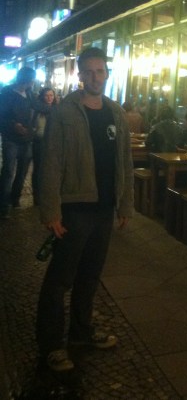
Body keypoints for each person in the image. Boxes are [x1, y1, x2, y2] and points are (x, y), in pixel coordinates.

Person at [35, 47, 134, 374]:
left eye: (100, 71)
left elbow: (124, 162)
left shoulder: (116, 112)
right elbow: (51, 162)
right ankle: (51, 344)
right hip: (74, 209)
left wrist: (125, 203)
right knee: (60, 280)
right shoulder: (65, 112)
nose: (95, 77)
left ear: (107, 74)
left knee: (89, 277)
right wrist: (51, 211)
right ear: (80, 75)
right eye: (89, 71)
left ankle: (81, 332)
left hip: (104, 209)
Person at [0, 67, 36, 218]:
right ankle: (3, 205)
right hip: (11, 139)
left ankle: (15, 199)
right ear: (27, 79)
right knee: (8, 171)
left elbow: (37, 108)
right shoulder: (7, 93)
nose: (33, 82)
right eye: (32, 79)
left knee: (22, 172)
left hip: (26, 139)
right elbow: (2, 115)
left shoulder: (30, 94)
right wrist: (14, 125)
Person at [31, 87, 56, 206]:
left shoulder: (56, 110)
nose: (49, 98)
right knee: (38, 170)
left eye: (51, 95)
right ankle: (37, 196)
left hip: (53, 144)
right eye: (47, 95)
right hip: (39, 143)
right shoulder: (37, 110)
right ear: (42, 96)